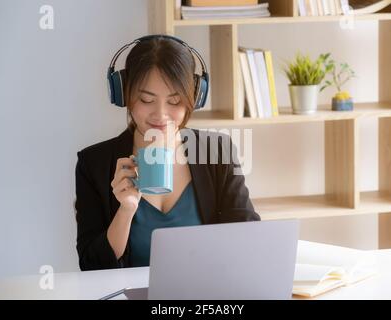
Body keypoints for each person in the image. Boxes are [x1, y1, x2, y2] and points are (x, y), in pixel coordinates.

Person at [75, 35, 260, 271]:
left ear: (194, 97)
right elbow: (91, 266)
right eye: (146, 99)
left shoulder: (217, 151)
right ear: (124, 94)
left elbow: (249, 238)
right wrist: (126, 209)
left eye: (174, 101)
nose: (160, 114)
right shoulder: (94, 163)